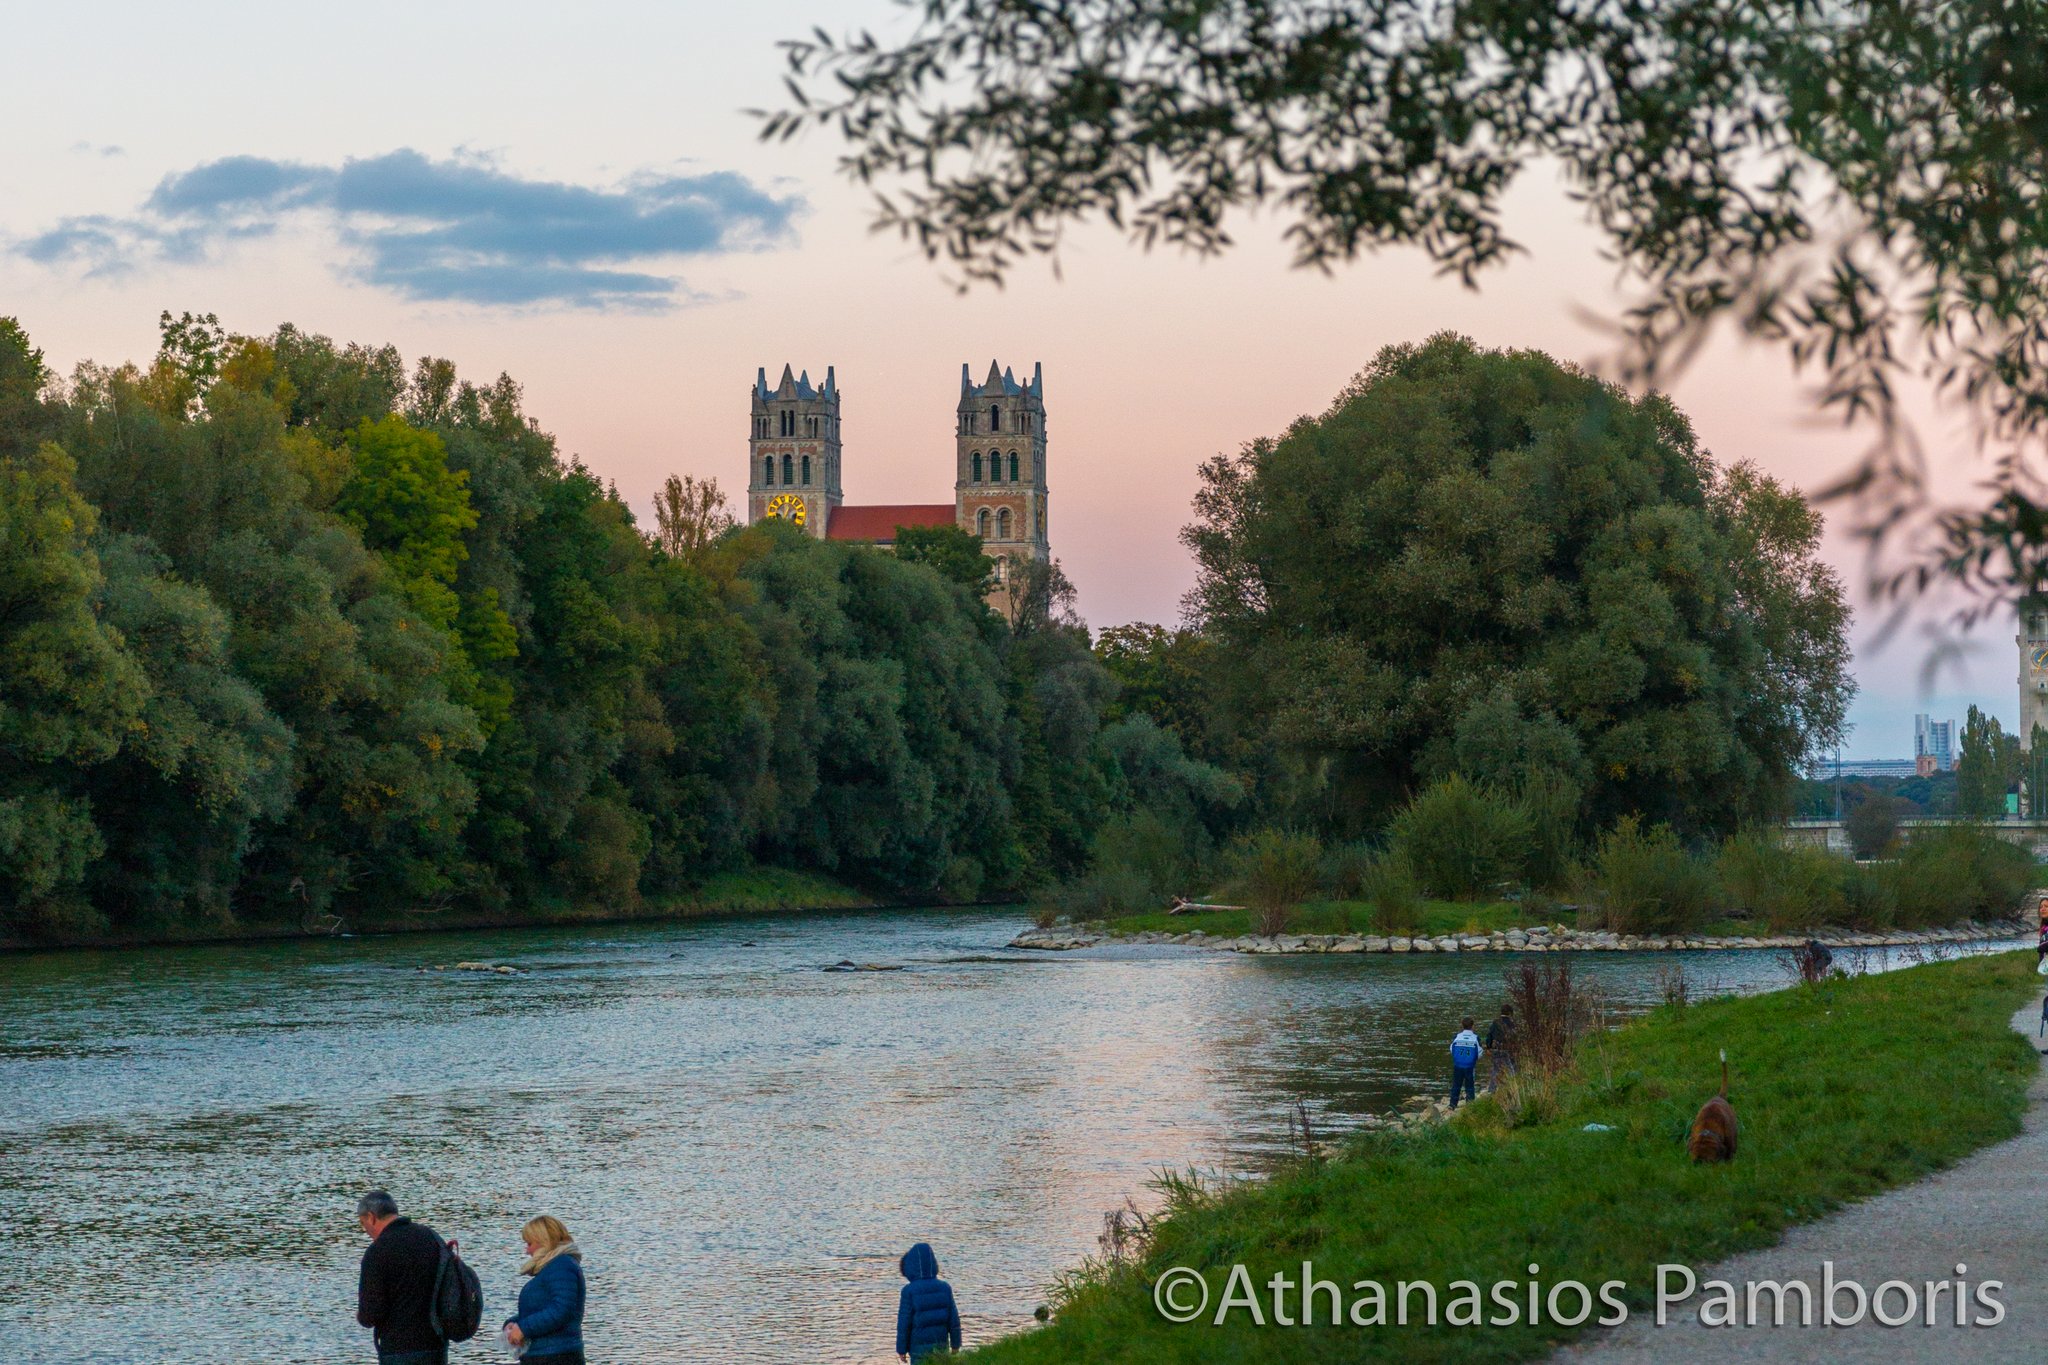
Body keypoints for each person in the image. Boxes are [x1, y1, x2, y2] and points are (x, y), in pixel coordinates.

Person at [356, 1190, 450, 1365]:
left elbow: (370, 1314)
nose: (366, 1231)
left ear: (371, 1217)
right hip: (436, 1346)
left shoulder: (376, 1252)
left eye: (363, 1224)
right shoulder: (431, 1237)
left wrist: (361, 1316)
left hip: (397, 1350)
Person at [504, 1215, 586, 1365]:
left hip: (556, 1356)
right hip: (545, 1355)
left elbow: (562, 1309)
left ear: (543, 1241)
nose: (526, 1251)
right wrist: (514, 1323)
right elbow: (543, 1309)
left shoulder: (562, 1266)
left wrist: (523, 1328)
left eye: (529, 1243)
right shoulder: (554, 1267)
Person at [895, 1242, 962, 1362]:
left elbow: (904, 1323)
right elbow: (954, 1320)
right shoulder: (945, 1288)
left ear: (909, 1267)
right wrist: (955, 1344)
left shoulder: (908, 1291)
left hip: (918, 1351)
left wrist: (901, 1349)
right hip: (941, 1348)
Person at [1449, 1017, 1482, 1109]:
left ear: (1462, 1025)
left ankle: (1452, 1104)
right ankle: (1470, 1105)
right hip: (1470, 1066)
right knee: (1470, 1086)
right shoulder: (1476, 1038)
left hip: (1458, 1065)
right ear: (1473, 1026)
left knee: (1456, 1085)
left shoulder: (1457, 1037)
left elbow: (1451, 1049)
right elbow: (1480, 1052)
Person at [1484, 1004, 1516, 1091]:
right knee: (1511, 1069)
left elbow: (1489, 1036)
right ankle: (1512, 1087)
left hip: (1496, 1048)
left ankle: (1492, 1090)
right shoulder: (1512, 1023)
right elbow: (1515, 1037)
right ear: (1510, 1013)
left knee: (1496, 1069)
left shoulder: (1495, 1022)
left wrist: (1488, 1047)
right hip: (1508, 1049)